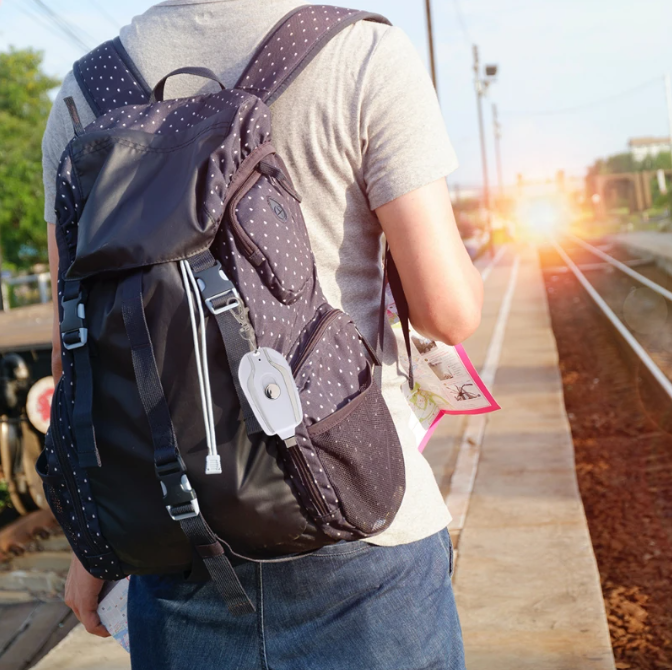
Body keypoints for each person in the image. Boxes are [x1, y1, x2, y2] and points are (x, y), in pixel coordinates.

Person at [42, 1, 483, 668]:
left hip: (177, 538)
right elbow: (448, 313)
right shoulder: (362, 52)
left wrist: (92, 547)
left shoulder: (81, 96)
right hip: (363, 530)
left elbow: (77, 357)